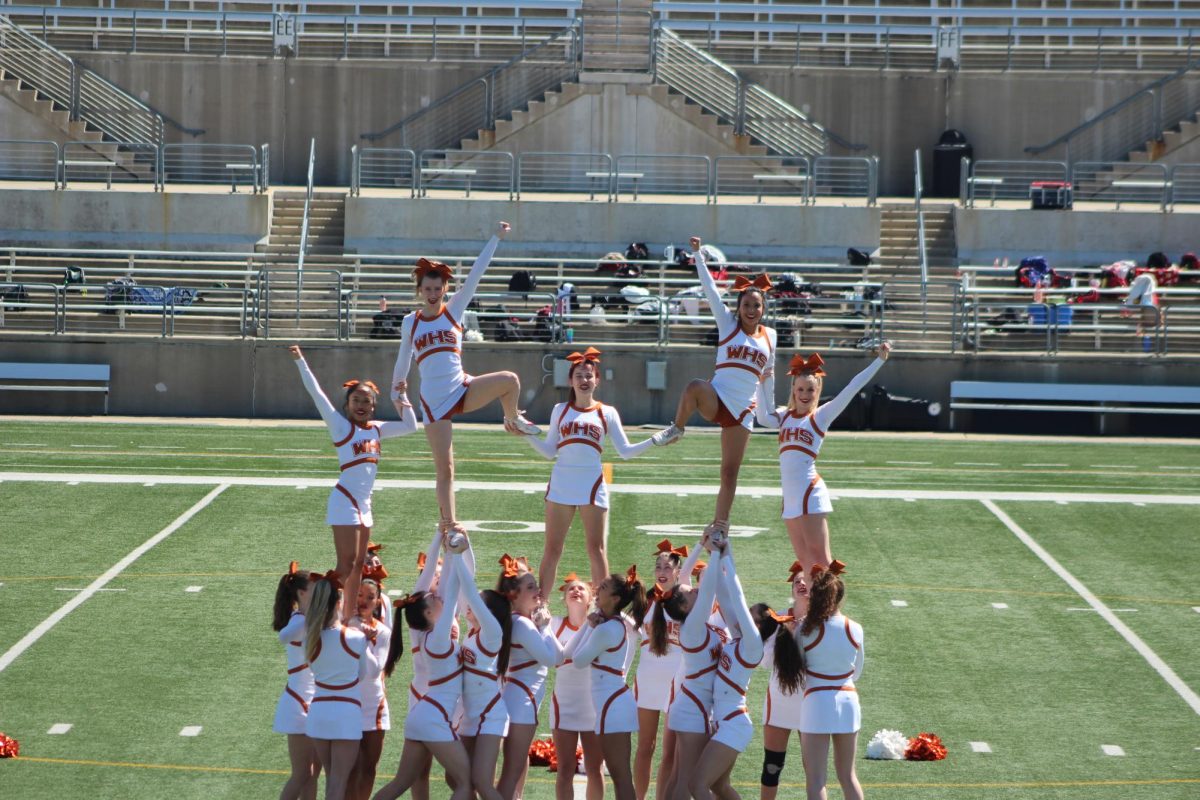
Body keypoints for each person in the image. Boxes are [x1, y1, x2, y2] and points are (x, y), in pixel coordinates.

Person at [391, 222, 540, 533]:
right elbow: (403, 359)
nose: (432, 294)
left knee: (509, 380)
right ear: (420, 290)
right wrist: (397, 391)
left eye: (437, 289)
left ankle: (512, 419)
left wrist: (495, 238)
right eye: (427, 289)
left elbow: (476, 273)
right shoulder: (410, 322)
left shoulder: (454, 310)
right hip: (434, 404)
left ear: (445, 290)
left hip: (462, 388)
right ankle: (448, 524)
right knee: (445, 469)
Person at [651, 236, 777, 538]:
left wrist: (769, 412)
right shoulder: (728, 324)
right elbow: (709, 288)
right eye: (746, 304)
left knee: (729, 472)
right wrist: (697, 255)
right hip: (717, 398)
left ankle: (721, 526)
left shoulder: (770, 336)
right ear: (739, 307)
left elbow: (768, 377)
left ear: (763, 308)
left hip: (744, 410)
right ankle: (677, 429)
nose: (751, 309)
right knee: (695, 386)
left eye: (756, 305)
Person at [290, 344, 418, 619]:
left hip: (364, 503)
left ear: (373, 406)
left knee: (360, 564)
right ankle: (319, 608)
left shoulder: (377, 429)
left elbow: (411, 425)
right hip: (344, 500)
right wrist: (301, 361)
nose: (361, 405)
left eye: (367, 401)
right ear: (347, 404)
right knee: (345, 565)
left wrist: (401, 395)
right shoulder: (341, 427)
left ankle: (347, 616)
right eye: (356, 400)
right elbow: (317, 394)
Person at [525, 347, 655, 591]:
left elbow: (625, 451)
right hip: (562, 483)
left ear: (597, 379)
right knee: (552, 549)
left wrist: (654, 440)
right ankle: (541, 603)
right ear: (570, 381)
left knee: (596, 549)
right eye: (579, 376)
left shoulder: (607, 412)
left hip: (592, 485)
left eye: (588, 376)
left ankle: (602, 607)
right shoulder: (559, 410)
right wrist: (525, 434)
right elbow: (549, 451)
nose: (584, 380)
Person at [754, 344, 891, 570]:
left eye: (810, 390)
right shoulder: (783, 416)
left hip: (810, 492)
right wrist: (762, 382)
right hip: (790, 497)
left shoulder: (820, 416)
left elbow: (852, 387)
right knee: (806, 562)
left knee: (823, 561)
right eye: (800, 389)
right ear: (793, 390)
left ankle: (833, 606)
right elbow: (762, 417)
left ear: (817, 392)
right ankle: (813, 606)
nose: (805, 395)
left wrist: (880, 361)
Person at [374, 538, 472, 800]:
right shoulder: (425, 618)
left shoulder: (435, 616)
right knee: (449, 777)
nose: (438, 580)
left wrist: (448, 547)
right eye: (434, 576)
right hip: (428, 699)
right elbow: (446, 586)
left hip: (438, 702)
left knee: (401, 781)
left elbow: (449, 588)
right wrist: (444, 545)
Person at [690, 538, 775, 800]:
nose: (744, 615)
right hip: (725, 720)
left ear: (758, 625)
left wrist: (726, 556)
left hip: (733, 723)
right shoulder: (740, 637)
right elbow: (727, 596)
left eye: (751, 614)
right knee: (719, 787)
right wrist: (720, 554)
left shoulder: (752, 647)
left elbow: (737, 598)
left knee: (697, 785)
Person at [562, 567, 649, 800]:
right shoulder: (615, 623)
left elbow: (578, 660)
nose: (597, 590)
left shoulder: (607, 628)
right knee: (621, 777)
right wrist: (591, 624)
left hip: (613, 706)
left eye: (603, 588)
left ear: (616, 598)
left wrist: (590, 627)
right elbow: (569, 652)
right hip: (610, 704)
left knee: (621, 778)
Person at [655, 534, 725, 800]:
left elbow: (686, 580)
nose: (694, 587)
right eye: (691, 591)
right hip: (693, 703)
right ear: (684, 606)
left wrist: (701, 545)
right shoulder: (695, 622)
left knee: (680, 775)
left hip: (693, 701)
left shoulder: (692, 618)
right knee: (686, 778)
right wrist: (717, 552)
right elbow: (703, 590)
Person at [634, 539, 701, 800]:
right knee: (645, 747)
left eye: (667, 566)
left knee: (670, 753)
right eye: (658, 566)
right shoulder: (646, 599)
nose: (662, 570)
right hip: (649, 677)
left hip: (677, 680)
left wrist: (699, 545)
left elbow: (685, 577)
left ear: (677, 571)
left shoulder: (684, 597)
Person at [496, 556, 565, 800]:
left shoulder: (520, 621)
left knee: (516, 766)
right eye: (531, 587)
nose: (538, 591)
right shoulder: (523, 624)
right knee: (510, 773)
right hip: (521, 703)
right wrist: (546, 627)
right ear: (514, 595)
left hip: (520, 699)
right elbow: (555, 658)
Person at [304, 571, 376, 800]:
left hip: (319, 712)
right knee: (338, 783)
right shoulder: (354, 637)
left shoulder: (310, 638)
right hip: (346, 712)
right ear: (338, 603)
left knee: (330, 780)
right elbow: (363, 674)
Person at [798, 562, 864, 800]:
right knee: (848, 776)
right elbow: (857, 670)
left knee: (816, 779)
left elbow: (797, 668)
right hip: (848, 699)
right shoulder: (855, 628)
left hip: (816, 701)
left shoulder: (805, 628)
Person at [453, 540, 509, 800]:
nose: (469, 606)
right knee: (456, 778)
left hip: (489, 714)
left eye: (479, 605)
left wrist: (454, 558)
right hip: (469, 714)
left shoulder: (492, 634)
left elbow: (471, 593)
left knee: (482, 783)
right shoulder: (472, 631)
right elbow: (468, 587)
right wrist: (464, 548)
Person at [551, 574, 606, 800]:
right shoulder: (553, 624)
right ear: (564, 599)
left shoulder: (600, 626)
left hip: (593, 705)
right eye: (570, 589)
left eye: (581, 589)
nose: (575, 591)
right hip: (564, 703)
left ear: (591, 597)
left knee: (595, 768)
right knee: (564, 768)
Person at [759, 561, 810, 800]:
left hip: (811, 703)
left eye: (805, 580)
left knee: (813, 769)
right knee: (772, 766)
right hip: (779, 701)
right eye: (796, 581)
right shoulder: (779, 620)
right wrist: (787, 635)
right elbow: (764, 661)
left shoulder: (824, 623)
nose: (800, 583)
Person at [273, 563, 320, 800]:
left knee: (312, 773)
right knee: (301, 773)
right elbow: (283, 635)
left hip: (313, 700)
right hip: (299, 702)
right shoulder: (299, 620)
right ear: (302, 594)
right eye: (315, 588)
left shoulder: (309, 617)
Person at [350, 577, 390, 800]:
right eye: (359, 595)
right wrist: (357, 633)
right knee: (350, 768)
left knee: (368, 767)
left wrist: (364, 641)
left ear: (377, 603)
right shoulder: (344, 625)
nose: (363, 601)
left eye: (369, 597)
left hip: (374, 705)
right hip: (349, 703)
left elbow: (375, 670)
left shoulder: (382, 632)